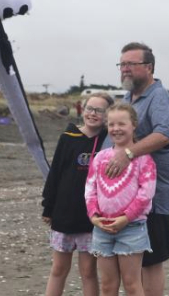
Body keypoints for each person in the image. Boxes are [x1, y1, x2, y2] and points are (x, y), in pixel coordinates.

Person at [103, 43, 169, 296]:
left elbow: (165, 134)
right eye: (122, 64)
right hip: (122, 198)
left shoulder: (158, 96)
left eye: (130, 64)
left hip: (153, 198)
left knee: (151, 261)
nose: (125, 69)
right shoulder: (127, 98)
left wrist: (128, 154)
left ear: (148, 67)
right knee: (129, 261)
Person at [42, 92, 114, 296]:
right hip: (63, 214)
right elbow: (55, 173)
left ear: (107, 115)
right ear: (82, 109)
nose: (93, 113)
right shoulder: (68, 137)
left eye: (99, 110)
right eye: (90, 108)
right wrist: (48, 207)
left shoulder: (107, 141)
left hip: (91, 219)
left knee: (88, 271)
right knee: (58, 269)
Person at [86, 103, 157, 296]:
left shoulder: (144, 159)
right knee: (107, 286)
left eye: (121, 124)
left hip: (132, 229)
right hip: (102, 228)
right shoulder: (100, 158)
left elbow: (146, 193)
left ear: (134, 125)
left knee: (132, 284)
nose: (116, 129)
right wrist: (93, 216)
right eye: (111, 124)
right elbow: (90, 189)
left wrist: (126, 218)